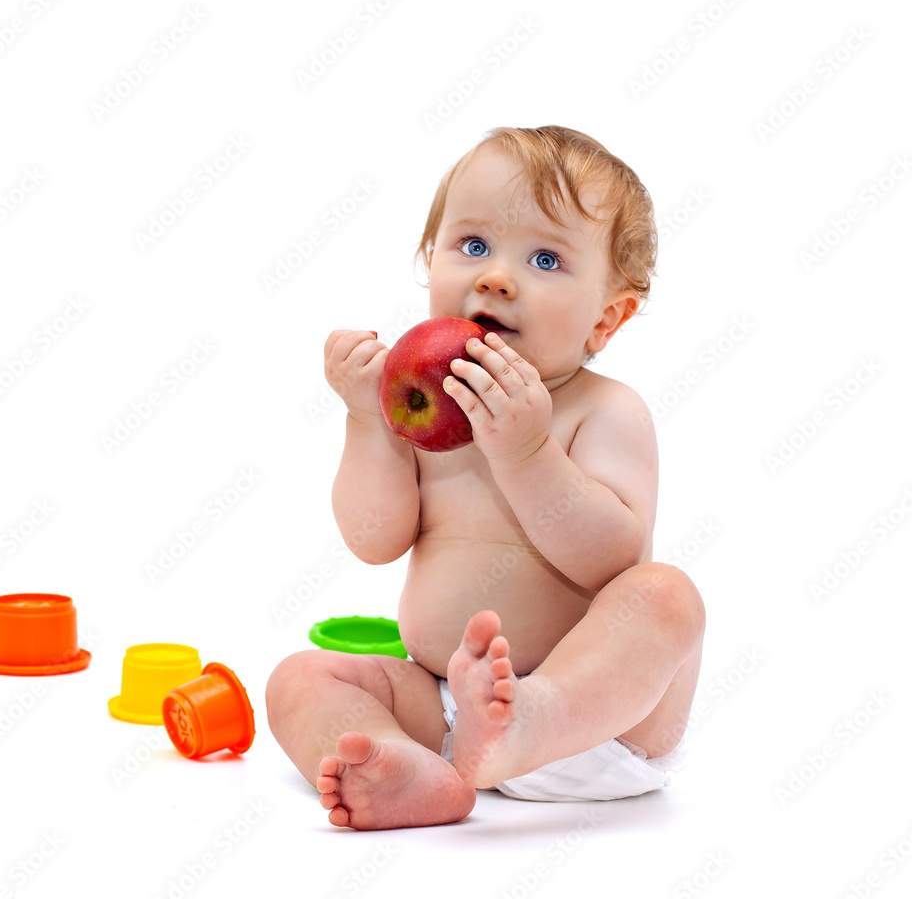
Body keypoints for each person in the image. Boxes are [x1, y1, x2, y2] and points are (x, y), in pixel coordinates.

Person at [266, 125, 705, 830]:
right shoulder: (421, 406)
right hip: (444, 709)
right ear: (428, 261)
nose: (496, 276)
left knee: (667, 597)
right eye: (472, 246)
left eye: (544, 258)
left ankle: (527, 723)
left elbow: (610, 560)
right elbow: (373, 539)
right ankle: (400, 767)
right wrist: (365, 422)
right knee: (301, 676)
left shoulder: (606, 411)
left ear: (609, 318)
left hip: (595, 725)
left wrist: (528, 454)